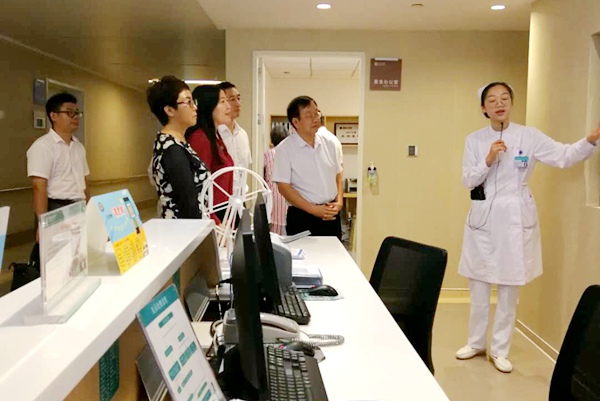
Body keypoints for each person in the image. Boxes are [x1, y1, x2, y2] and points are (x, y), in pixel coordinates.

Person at [455, 82, 600, 373]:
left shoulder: (529, 136)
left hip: (515, 217)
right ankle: (476, 342)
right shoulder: (474, 140)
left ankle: (500, 350)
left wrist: (591, 140)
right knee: (479, 286)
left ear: (511, 103)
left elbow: (563, 156)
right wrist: (488, 159)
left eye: (504, 98)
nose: (499, 104)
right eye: (492, 100)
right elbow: (468, 179)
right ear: (483, 108)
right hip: (483, 219)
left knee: (509, 289)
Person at [272, 96, 344, 239]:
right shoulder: (285, 149)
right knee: (303, 253)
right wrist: (314, 210)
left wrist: (339, 202)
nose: (315, 119)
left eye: (317, 113)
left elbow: (338, 174)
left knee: (333, 252)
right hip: (303, 216)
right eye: (309, 115)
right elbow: (284, 187)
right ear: (296, 122)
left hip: (331, 214)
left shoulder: (329, 143)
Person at [27, 92, 90, 237]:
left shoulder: (79, 147)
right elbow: (39, 187)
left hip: (79, 208)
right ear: (53, 116)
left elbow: (85, 182)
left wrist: (89, 209)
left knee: (79, 250)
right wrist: (42, 224)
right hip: (56, 210)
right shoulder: (43, 146)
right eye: (69, 112)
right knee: (56, 251)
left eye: (77, 113)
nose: (75, 117)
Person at [147, 76, 210, 219]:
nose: (195, 107)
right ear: (169, 110)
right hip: (183, 227)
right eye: (188, 102)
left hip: (187, 225)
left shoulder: (177, 142)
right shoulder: (172, 149)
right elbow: (188, 203)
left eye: (193, 101)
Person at [186, 85, 234, 223]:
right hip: (213, 215)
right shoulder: (200, 138)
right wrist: (215, 222)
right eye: (222, 101)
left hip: (223, 210)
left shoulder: (215, 137)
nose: (228, 106)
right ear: (209, 105)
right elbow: (199, 186)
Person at [217, 82, 252, 171]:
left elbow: (245, 168)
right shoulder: (215, 135)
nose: (238, 104)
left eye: (238, 98)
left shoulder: (243, 134)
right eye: (232, 99)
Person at [264, 125, 291, 235]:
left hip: (273, 197)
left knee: (274, 233)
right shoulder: (290, 153)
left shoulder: (268, 154)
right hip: (289, 196)